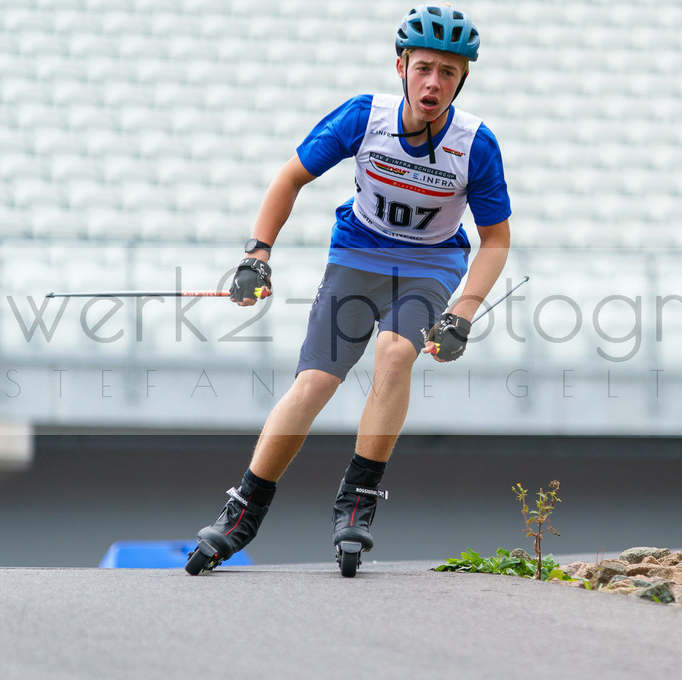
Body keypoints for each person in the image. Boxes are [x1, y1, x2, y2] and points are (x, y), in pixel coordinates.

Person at [185, 4, 511, 576]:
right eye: (424, 68)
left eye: (449, 73)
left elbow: (496, 241)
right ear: (401, 65)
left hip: (429, 263)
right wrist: (257, 254)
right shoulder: (364, 118)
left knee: (394, 352)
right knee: (315, 382)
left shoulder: (475, 144)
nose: (433, 83)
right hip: (358, 251)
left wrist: (461, 313)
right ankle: (245, 507)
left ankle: (360, 496)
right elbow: (289, 178)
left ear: (463, 80)